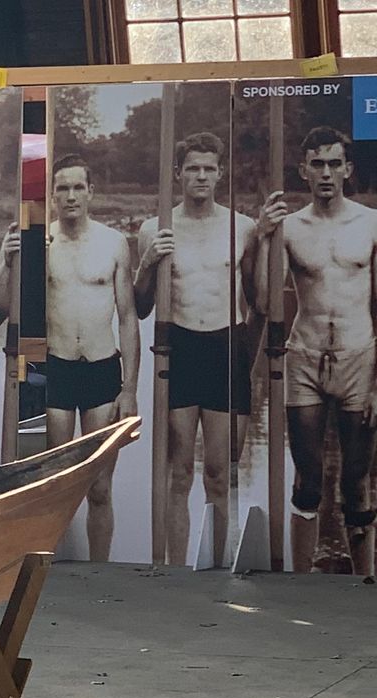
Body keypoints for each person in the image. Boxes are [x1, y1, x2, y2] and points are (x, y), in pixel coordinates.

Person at [254, 126, 377, 577]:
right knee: (306, 479)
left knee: (357, 481)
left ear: (347, 169)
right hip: (304, 357)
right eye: (317, 164)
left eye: (334, 163)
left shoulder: (371, 223)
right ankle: (301, 582)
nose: (326, 173)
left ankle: (366, 581)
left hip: (359, 358)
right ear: (304, 170)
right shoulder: (290, 227)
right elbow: (267, 304)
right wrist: (264, 237)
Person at [135, 131, 261, 566]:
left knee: (220, 475)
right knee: (180, 472)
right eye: (193, 168)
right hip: (180, 348)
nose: (201, 176)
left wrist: (252, 355)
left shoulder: (240, 227)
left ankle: (219, 565)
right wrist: (148, 262)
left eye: (209, 169)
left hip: (226, 347)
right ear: (178, 174)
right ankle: (174, 568)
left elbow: (259, 301)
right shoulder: (155, 228)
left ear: (220, 174)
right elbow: (140, 305)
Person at [44, 152, 140, 562]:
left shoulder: (113, 243)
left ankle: (100, 576)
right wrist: (12, 258)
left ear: (91, 192)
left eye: (77, 187)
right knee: (57, 485)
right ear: (51, 195)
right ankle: (53, 571)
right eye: (62, 188)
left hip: (102, 369)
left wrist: (130, 389)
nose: (70, 196)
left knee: (100, 487)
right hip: (57, 368)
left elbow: (129, 317)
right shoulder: (41, 241)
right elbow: (6, 308)